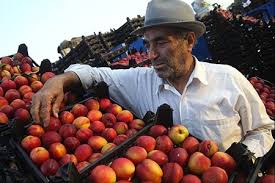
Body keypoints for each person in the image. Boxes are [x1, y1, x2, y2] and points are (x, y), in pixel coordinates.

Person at [31, 0, 274, 157]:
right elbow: (95, 74)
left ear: (189, 41)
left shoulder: (228, 79)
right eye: (148, 44)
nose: (151, 54)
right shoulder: (140, 82)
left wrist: (246, 154)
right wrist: (58, 81)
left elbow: (263, 129)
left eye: (161, 42)